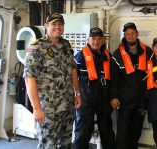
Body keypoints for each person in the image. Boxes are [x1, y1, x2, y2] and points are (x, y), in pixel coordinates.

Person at [24, 13, 82, 148]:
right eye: (54, 24)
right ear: (46, 26)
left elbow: (73, 70)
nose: (58, 27)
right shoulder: (36, 47)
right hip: (48, 109)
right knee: (48, 145)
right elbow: (29, 78)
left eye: (60, 24)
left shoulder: (66, 45)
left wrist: (77, 93)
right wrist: (37, 108)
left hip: (67, 105)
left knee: (66, 143)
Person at [110, 22, 153, 149]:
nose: (130, 36)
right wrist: (113, 97)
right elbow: (114, 78)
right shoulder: (118, 54)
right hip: (124, 102)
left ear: (137, 34)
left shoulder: (148, 52)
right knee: (123, 134)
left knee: (136, 133)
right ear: (124, 35)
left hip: (141, 102)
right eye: (127, 34)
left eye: (133, 33)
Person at [72, 27, 115, 149]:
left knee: (107, 132)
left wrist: (112, 97)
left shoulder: (108, 56)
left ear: (102, 40)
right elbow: (72, 78)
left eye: (99, 39)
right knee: (82, 133)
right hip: (86, 101)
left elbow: (113, 79)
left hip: (104, 101)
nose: (96, 42)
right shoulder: (79, 57)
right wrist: (76, 95)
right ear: (88, 40)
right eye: (93, 39)